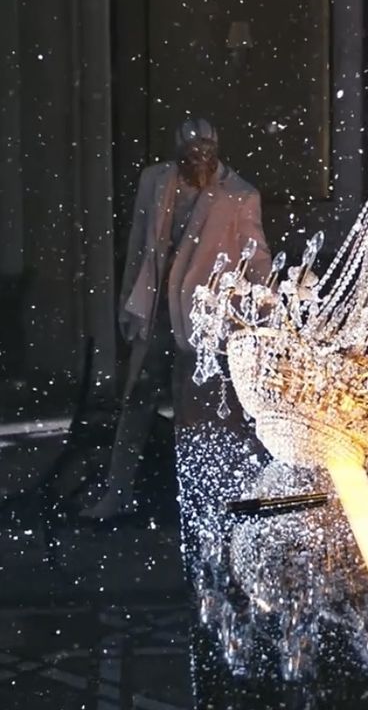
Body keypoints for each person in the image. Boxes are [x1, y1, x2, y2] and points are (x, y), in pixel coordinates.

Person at [81, 118, 271, 520]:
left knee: (197, 412)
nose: (197, 160)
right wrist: (128, 303)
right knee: (137, 402)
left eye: (204, 152)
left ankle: (199, 499)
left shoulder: (238, 196)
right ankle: (119, 491)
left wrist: (264, 312)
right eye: (190, 153)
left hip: (203, 322)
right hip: (155, 315)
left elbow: (256, 258)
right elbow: (139, 244)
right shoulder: (156, 181)